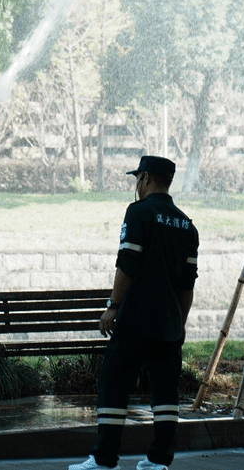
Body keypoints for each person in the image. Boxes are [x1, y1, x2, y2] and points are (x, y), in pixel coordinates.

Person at [66, 156, 198, 470]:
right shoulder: (187, 225)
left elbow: (128, 263)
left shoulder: (138, 213)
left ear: (146, 178)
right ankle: (159, 460)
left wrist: (112, 306)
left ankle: (104, 459)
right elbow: (187, 284)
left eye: (138, 178)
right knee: (165, 393)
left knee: (114, 382)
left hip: (137, 318)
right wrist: (179, 324)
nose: (136, 184)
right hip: (169, 325)